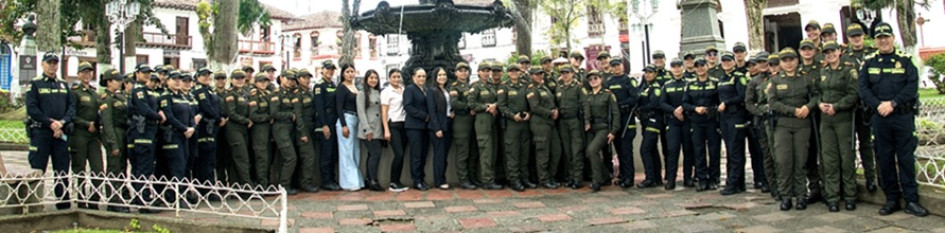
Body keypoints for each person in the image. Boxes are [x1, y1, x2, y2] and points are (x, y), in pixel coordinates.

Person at [859, 22, 928, 217]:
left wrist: (894, 103)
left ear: (892, 38)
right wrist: (878, 105)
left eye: (886, 37)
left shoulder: (905, 61)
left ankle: (911, 200)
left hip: (902, 116)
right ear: (876, 41)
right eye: (879, 38)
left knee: (906, 158)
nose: (883, 41)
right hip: (880, 118)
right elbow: (863, 88)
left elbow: (912, 86)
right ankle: (891, 199)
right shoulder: (869, 62)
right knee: (885, 159)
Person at [768, 47, 819, 211]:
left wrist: (808, 107)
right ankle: (786, 196)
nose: (789, 63)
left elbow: (816, 96)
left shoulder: (806, 79)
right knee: (783, 161)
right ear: (781, 63)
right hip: (783, 124)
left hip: (802, 124)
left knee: (800, 160)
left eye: (791, 60)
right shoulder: (775, 81)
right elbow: (773, 102)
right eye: (785, 60)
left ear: (797, 61)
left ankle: (801, 195)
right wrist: (792, 110)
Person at [25, 52, 75, 210]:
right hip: (42, 133)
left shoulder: (63, 84)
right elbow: (32, 108)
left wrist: (62, 123)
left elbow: (71, 107)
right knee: (38, 168)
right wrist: (50, 123)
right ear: (43, 64)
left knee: (62, 169)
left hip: (60, 133)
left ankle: (63, 203)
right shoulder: (35, 84)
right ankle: (34, 204)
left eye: (55, 63)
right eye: (49, 63)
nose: (52, 66)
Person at [816, 41, 860, 212]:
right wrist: (820, 104)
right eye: (826, 52)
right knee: (829, 159)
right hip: (826, 120)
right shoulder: (823, 71)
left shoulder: (848, 70)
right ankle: (832, 196)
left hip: (843, 118)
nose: (830, 55)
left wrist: (837, 106)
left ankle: (850, 195)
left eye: (832, 51)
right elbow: (817, 92)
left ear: (839, 52)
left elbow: (853, 94)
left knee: (846, 157)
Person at [842, 23, 878, 192]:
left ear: (863, 35)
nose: (856, 39)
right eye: (852, 36)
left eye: (858, 35)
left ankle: (871, 177)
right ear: (848, 38)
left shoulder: (872, 54)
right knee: (848, 145)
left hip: (868, 107)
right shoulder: (844, 57)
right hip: (850, 107)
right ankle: (851, 181)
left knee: (867, 144)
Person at [157, 71, 196, 205]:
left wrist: (192, 127)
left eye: (179, 79)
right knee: (176, 167)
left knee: (184, 166)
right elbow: (169, 116)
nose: (177, 82)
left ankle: (182, 194)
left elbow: (191, 114)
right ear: (167, 81)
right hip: (172, 135)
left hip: (185, 136)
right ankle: (176, 197)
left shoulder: (182, 97)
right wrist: (184, 129)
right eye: (174, 79)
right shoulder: (165, 97)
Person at [683, 58, 721, 192]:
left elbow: (720, 101)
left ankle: (714, 178)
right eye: (697, 67)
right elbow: (685, 103)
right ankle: (702, 179)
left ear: (707, 67)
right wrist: (695, 108)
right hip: (696, 121)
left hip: (711, 121)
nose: (700, 69)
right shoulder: (690, 84)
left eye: (702, 66)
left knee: (714, 151)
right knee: (698, 151)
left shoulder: (715, 83)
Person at [69, 62, 103, 209]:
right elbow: (71, 114)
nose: (87, 75)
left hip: (94, 136)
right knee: (79, 169)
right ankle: (81, 200)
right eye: (83, 72)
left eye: (89, 72)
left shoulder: (95, 93)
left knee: (98, 169)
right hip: (79, 134)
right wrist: (85, 124)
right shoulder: (75, 92)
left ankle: (94, 199)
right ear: (79, 74)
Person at [717, 51, 751, 195]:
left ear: (733, 62)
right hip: (724, 118)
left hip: (736, 116)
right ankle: (738, 183)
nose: (726, 63)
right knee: (731, 151)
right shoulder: (722, 78)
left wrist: (726, 102)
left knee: (735, 151)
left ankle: (732, 184)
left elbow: (742, 95)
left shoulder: (739, 77)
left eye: (729, 61)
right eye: (724, 61)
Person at [498, 64, 534, 191]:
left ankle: (525, 178)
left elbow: (531, 101)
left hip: (524, 123)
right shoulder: (504, 87)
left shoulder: (525, 85)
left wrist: (529, 113)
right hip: (512, 124)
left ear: (519, 72)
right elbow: (501, 106)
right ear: (508, 73)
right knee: (513, 153)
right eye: (511, 71)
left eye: (516, 71)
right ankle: (514, 180)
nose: (514, 73)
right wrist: (513, 116)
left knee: (525, 152)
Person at [745, 53, 776, 197]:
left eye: (765, 62)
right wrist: (760, 112)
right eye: (759, 62)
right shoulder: (754, 82)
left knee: (780, 154)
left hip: (778, 120)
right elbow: (749, 103)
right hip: (762, 121)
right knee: (766, 154)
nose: (762, 65)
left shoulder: (776, 77)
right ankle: (769, 183)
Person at [660, 58, 694, 189]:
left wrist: (683, 108)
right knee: (672, 151)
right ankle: (671, 179)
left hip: (687, 120)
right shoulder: (667, 85)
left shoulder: (689, 83)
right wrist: (674, 111)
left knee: (688, 151)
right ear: (671, 69)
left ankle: (688, 178)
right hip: (673, 122)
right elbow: (662, 103)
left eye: (679, 66)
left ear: (683, 67)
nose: (677, 69)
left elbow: (692, 100)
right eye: (674, 66)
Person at [469, 62, 504, 190]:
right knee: (486, 152)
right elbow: (471, 104)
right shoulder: (476, 87)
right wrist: (486, 107)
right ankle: (487, 181)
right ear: (478, 72)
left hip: (493, 121)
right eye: (483, 71)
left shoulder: (491, 86)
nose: (486, 73)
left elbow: (499, 99)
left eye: (488, 71)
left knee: (493, 151)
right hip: (482, 121)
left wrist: (495, 105)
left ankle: (492, 178)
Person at [583, 70, 619, 192]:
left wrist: (613, 131)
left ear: (601, 79)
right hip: (591, 128)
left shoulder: (608, 94)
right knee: (588, 153)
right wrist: (586, 122)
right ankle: (605, 176)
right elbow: (585, 112)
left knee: (592, 150)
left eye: (595, 78)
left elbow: (615, 114)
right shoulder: (587, 95)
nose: (593, 81)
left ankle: (597, 181)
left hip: (603, 127)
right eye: (590, 79)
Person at [100, 69, 130, 213]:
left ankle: (121, 197)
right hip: (114, 134)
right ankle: (113, 200)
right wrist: (112, 143)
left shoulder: (120, 97)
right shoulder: (107, 98)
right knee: (114, 167)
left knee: (122, 167)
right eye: (117, 80)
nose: (119, 83)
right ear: (109, 82)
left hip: (123, 133)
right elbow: (107, 123)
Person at [606, 58, 639, 188]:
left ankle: (629, 178)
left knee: (626, 150)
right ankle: (623, 176)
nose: (616, 68)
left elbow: (635, 97)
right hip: (615, 119)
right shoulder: (610, 82)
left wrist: (620, 105)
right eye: (613, 66)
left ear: (622, 65)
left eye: (618, 65)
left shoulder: (629, 80)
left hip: (627, 118)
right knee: (619, 149)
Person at [798, 39, 824, 203]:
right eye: (804, 49)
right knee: (808, 155)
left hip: (821, 115)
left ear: (815, 51)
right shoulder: (797, 70)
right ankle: (814, 188)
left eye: (810, 49)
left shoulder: (822, 68)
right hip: (805, 117)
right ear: (800, 52)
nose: (807, 52)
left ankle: (828, 189)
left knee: (824, 153)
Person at [449, 62, 479, 190]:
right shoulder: (454, 87)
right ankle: (463, 180)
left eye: (465, 70)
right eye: (460, 70)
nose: (463, 73)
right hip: (461, 123)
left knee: (473, 152)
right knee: (463, 153)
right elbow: (455, 104)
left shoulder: (471, 86)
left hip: (472, 122)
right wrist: (469, 107)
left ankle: (472, 178)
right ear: (456, 73)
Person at [270, 71, 300, 195]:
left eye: (292, 79)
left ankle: (282, 184)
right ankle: (284, 185)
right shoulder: (277, 94)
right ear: (281, 78)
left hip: (289, 129)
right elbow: (274, 113)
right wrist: (290, 115)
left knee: (283, 158)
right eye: (288, 79)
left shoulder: (291, 93)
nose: (290, 81)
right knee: (290, 157)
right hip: (280, 128)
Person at [335, 63, 364, 191]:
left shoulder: (355, 87)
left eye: (352, 71)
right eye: (347, 71)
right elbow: (339, 107)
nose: (350, 74)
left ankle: (357, 179)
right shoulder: (342, 88)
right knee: (346, 152)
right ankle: (348, 183)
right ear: (343, 74)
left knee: (355, 151)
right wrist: (343, 125)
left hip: (356, 119)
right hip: (346, 119)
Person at [381, 69, 410, 192]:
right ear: (389, 78)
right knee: (399, 154)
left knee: (402, 154)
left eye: (398, 76)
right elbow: (384, 112)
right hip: (393, 124)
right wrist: (386, 130)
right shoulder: (386, 92)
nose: (397, 79)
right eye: (394, 77)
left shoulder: (404, 90)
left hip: (404, 124)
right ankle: (393, 182)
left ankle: (398, 181)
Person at [315, 60, 342, 191]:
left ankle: (332, 178)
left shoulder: (332, 84)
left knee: (333, 153)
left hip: (334, 119)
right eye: (328, 69)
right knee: (326, 153)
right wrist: (324, 125)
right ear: (322, 70)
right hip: (325, 120)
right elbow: (319, 107)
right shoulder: (320, 86)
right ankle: (326, 181)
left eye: (332, 69)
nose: (330, 72)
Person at [222, 70, 253, 186]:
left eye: (242, 78)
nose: (240, 80)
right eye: (237, 78)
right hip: (234, 128)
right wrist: (246, 120)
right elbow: (231, 113)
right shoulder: (230, 94)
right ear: (232, 80)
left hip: (244, 129)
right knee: (242, 158)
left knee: (240, 158)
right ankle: (247, 187)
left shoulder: (245, 93)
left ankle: (237, 185)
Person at [555, 65, 583, 189]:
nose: (565, 75)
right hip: (563, 122)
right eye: (563, 73)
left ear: (572, 74)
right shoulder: (559, 88)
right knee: (567, 151)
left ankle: (578, 178)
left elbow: (584, 105)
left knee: (576, 150)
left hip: (574, 121)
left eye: (567, 73)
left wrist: (586, 121)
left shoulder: (578, 88)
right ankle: (571, 177)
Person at [403, 68, 431, 191]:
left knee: (423, 153)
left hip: (425, 127)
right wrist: (423, 116)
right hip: (414, 126)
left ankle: (422, 178)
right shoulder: (410, 90)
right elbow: (408, 107)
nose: (421, 79)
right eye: (419, 76)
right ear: (414, 77)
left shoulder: (426, 90)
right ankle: (416, 180)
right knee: (416, 154)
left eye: (423, 76)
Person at [637, 65, 664, 189]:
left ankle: (650, 178)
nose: (648, 75)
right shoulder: (644, 86)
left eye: (650, 72)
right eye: (646, 72)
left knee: (645, 149)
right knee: (652, 150)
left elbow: (654, 103)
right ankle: (656, 178)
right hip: (645, 121)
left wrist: (640, 109)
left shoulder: (656, 88)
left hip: (653, 120)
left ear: (655, 74)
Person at [358, 70, 385, 191]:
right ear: (366, 79)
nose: (373, 80)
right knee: (375, 154)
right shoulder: (362, 93)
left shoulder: (380, 92)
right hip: (369, 129)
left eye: (375, 78)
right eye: (371, 78)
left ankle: (369, 179)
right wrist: (366, 129)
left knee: (371, 155)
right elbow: (361, 112)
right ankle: (374, 180)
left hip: (379, 129)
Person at [427, 67, 453, 190]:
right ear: (435, 77)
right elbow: (432, 111)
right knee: (439, 154)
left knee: (444, 154)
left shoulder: (446, 90)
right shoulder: (432, 91)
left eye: (444, 74)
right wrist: (437, 128)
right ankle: (439, 180)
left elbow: (448, 106)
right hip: (437, 127)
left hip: (448, 123)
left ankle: (443, 177)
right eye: (439, 75)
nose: (442, 77)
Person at [248, 73, 273, 188]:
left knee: (268, 156)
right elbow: (253, 115)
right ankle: (262, 184)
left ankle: (267, 182)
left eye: (265, 81)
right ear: (256, 83)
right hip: (259, 130)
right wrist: (268, 118)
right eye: (261, 81)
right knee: (261, 157)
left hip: (268, 130)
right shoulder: (254, 95)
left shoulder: (268, 94)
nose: (263, 83)